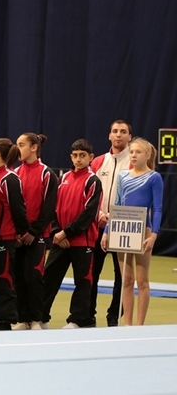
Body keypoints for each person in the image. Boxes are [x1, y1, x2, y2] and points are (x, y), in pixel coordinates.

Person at [101, 137, 162, 326]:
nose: (134, 155)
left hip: (143, 230)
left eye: (138, 152)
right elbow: (117, 204)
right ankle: (128, 324)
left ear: (148, 155)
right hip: (122, 227)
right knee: (126, 279)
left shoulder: (154, 177)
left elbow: (158, 208)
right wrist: (107, 231)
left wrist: (154, 235)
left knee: (142, 280)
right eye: (132, 152)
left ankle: (139, 325)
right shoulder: (123, 176)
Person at [42, 139, 102, 328]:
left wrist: (66, 233)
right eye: (75, 155)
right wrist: (57, 232)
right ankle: (41, 317)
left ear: (91, 157)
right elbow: (53, 208)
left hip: (83, 241)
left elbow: (88, 215)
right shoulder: (64, 178)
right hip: (61, 240)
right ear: (71, 156)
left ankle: (77, 319)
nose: (78, 159)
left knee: (83, 281)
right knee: (49, 278)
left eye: (82, 155)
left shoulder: (93, 181)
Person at [12, 133, 59, 330]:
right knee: (19, 278)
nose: (18, 148)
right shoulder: (15, 173)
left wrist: (33, 232)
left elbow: (49, 208)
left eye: (22, 144)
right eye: (17, 144)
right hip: (18, 237)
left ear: (34, 147)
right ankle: (23, 319)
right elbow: (13, 206)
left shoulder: (47, 174)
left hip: (37, 236)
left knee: (34, 277)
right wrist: (17, 233)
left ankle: (37, 319)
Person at [90, 120, 131, 327]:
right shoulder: (98, 162)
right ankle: (88, 314)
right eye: (115, 131)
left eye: (123, 132)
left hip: (122, 225)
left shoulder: (134, 161)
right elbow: (89, 193)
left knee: (122, 276)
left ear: (129, 137)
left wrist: (115, 217)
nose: (118, 135)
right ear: (109, 135)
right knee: (92, 273)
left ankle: (114, 316)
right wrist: (99, 215)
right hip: (98, 225)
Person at [0, 138, 29, 331]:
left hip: (5, 237)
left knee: (4, 279)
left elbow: (18, 209)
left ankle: (6, 320)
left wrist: (21, 231)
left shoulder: (9, 178)